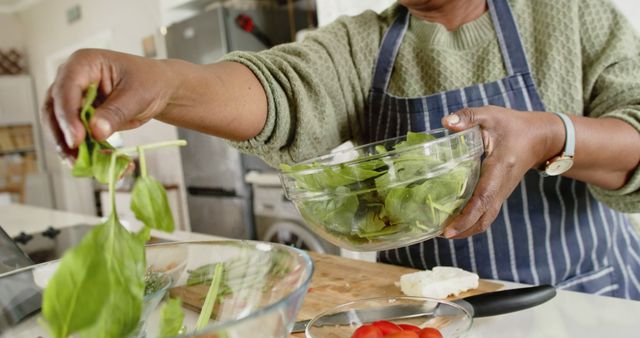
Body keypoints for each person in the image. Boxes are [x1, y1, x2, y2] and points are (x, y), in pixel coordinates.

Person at [43, 0, 640, 299]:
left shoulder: (571, 15)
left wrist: (552, 136)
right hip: (427, 322)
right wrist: (165, 82)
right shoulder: (362, 44)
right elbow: (279, 90)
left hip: (583, 302)